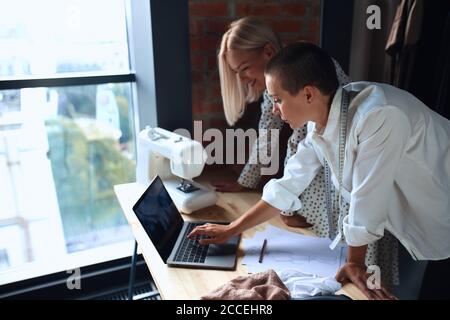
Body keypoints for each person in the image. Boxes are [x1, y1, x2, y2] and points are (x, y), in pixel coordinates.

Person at [189, 42, 450, 300]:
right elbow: (289, 184)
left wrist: (355, 263)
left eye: (278, 99)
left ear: (309, 94)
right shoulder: (321, 123)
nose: (273, 109)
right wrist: (231, 229)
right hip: (409, 216)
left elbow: (366, 199)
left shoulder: (379, 116)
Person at [214, 17, 401, 293]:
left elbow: (302, 143)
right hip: (327, 181)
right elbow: (277, 141)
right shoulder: (276, 88)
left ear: (267, 52)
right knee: (337, 264)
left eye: (243, 69)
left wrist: (288, 207)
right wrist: (245, 186)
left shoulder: (304, 71)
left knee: (362, 262)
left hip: (347, 181)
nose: (242, 79)